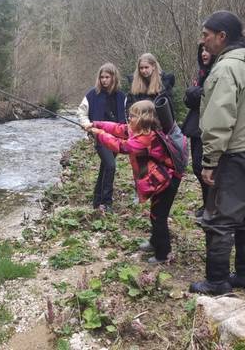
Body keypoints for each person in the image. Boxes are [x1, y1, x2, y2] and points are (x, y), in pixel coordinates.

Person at [189, 11, 245, 295]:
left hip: (241, 155)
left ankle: (216, 282)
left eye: (206, 35)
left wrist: (210, 162)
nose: (202, 41)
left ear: (222, 36)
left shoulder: (227, 67)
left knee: (220, 220)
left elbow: (219, 120)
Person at [84, 100, 180, 263]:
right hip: (161, 180)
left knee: (159, 217)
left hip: (168, 182)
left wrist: (98, 133)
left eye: (133, 116)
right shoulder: (138, 130)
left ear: (144, 119)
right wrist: (96, 123)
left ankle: (162, 254)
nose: (129, 119)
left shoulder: (145, 138)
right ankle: (155, 242)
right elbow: (117, 128)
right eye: (129, 116)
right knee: (155, 214)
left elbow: (121, 146)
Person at [77, 63, 127, 212]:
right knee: (110, 166)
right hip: (100, 137)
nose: (104, 80)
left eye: (107, 77)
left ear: (113, 78)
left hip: (117, 138)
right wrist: (87, 125)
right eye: (102, 77)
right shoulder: (92, 95)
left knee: (105, 167)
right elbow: (81, 112)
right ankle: (106, 202)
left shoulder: (121, 96)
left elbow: (126, 116)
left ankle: (97, 200)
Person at [182, 44, 215, 222]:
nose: (204, 54)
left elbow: (208, 97)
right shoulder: (202, 72)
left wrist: (194, 93)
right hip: (195, 127)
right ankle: (207, 204)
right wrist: (193, 93)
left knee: (206, 169)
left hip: (208, 128)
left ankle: (212, 207)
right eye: (202, 50)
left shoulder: (217, 72)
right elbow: (189, 99)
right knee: (196, 167)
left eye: (208, 50)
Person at [126, 53, 176, 126]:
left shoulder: (164, 83)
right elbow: (130, 107)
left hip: (159, 124)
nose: (143, 70)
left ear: (153, 66)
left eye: (146, 67)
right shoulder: (134, 84)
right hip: (139, 124)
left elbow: (168, 108)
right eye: (141, 68)